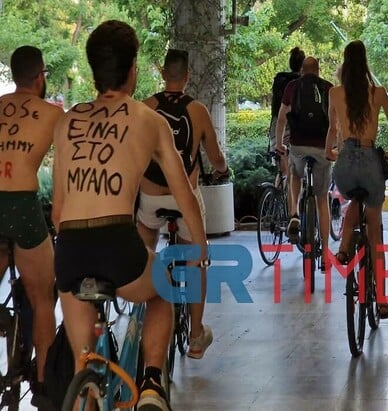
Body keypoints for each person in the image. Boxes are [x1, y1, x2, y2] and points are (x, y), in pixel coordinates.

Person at [52, 20, 208, 411]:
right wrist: (201, 246)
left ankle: (86, 390)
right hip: (116, 242)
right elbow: (184, 194)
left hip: (69, 248)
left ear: (94, 70)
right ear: (133, 68)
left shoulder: (67, 120)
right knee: (163, 288)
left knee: (83, 362)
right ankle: (152, 383)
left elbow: (58, 209)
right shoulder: (148, 120)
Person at [136, 48, 228, 360]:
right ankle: (196, 334)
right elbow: (215, 157)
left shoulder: (144, 108)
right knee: (196, 260)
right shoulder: (197, 111)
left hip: (151, 198)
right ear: (187, 77)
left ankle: (140, 316)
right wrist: (223, 169)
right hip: (184, 196)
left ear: (163, 73)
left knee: (144, 251)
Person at [325, 40, 388, 319]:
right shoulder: (378, 92)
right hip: (370, 162)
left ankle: (344, 248)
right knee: (375, 232)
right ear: (365, 64)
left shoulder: (334, 93)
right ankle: (382, 300)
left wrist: (328, 151)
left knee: (353, 198)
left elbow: (332, 130)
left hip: (345, 163)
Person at [0, 45, 62, 409]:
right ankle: (43, 383)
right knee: (42, 297)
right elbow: (64, 174)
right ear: (39, 77)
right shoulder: (52, 114)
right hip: (22, 205)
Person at [275, 57, 333, 265]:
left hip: (298, 145)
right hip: (322, 148)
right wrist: (335, 147)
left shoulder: (292, 86)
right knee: (322, 199)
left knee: (295, 173)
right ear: (318, 70)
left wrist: (279, 143)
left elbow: (282, 118)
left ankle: (294, 213)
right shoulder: (328, 88)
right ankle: (325, 254)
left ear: (301, 71)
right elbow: (336, 122)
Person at [269, 47, 305, 178]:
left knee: (282, 169)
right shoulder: (302, 82)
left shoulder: (279, 79)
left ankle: (279, 187)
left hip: (276, 126)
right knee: (295, 169)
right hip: (295, 125)